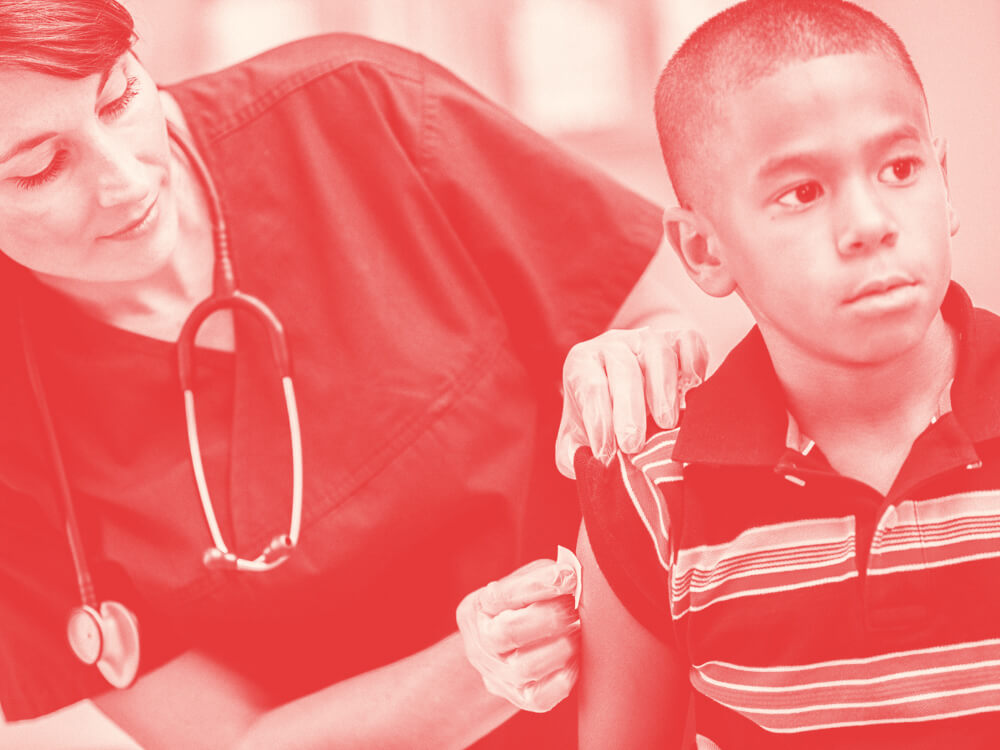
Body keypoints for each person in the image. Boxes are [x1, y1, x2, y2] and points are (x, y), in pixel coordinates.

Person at [0, 2, 707, 748]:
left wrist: (635, 360)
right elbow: (233, 740)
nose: (124, 180)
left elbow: (655, 324)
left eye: (120, 99)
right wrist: (480, 666)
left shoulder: (354, 106)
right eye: (41, 167)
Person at [573, 0, 1000, 747]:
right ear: (705, 252)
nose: (869, 223)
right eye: (802, 192)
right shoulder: (651, 493)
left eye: (899, 169)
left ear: (944, 178)